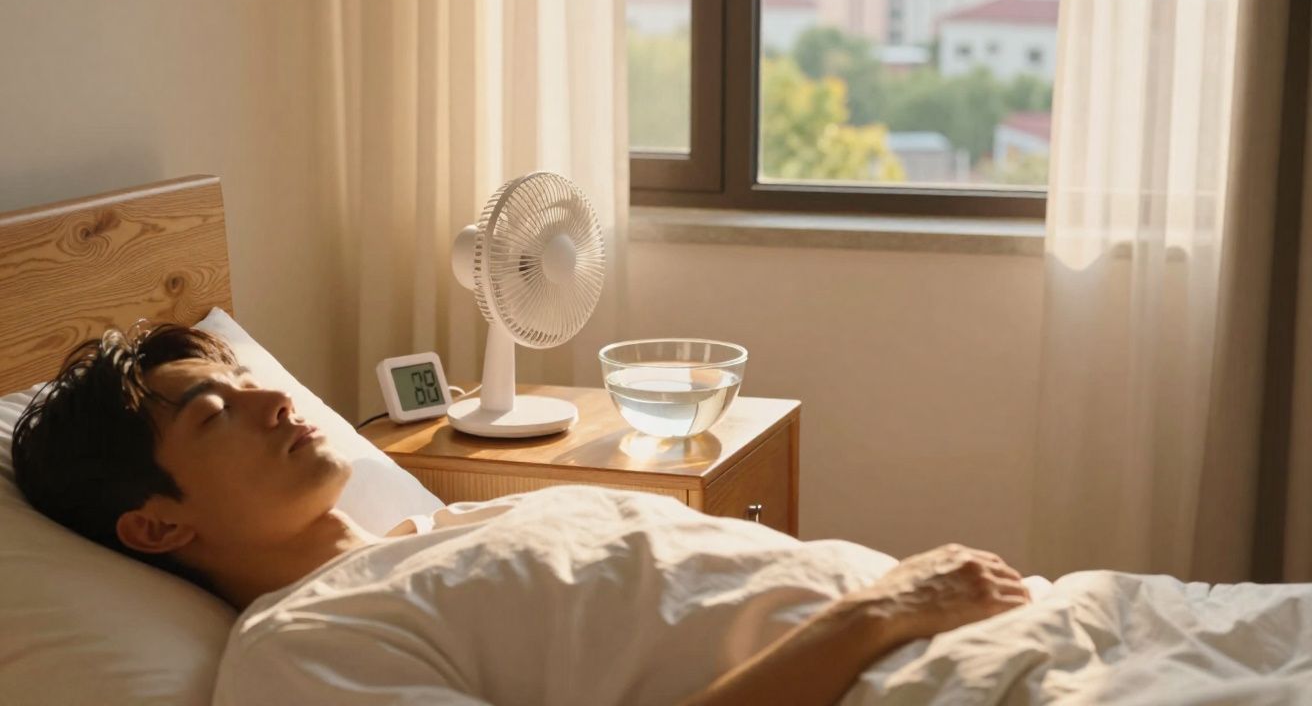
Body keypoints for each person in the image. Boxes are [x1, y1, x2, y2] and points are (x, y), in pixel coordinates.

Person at [11, 323, 1031, 706]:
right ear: (153, 525)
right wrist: (877, 613)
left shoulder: (446, 527)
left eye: (245, 376)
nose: (275, 397)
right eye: (212, 411)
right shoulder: (297, 652)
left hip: (987, 635)